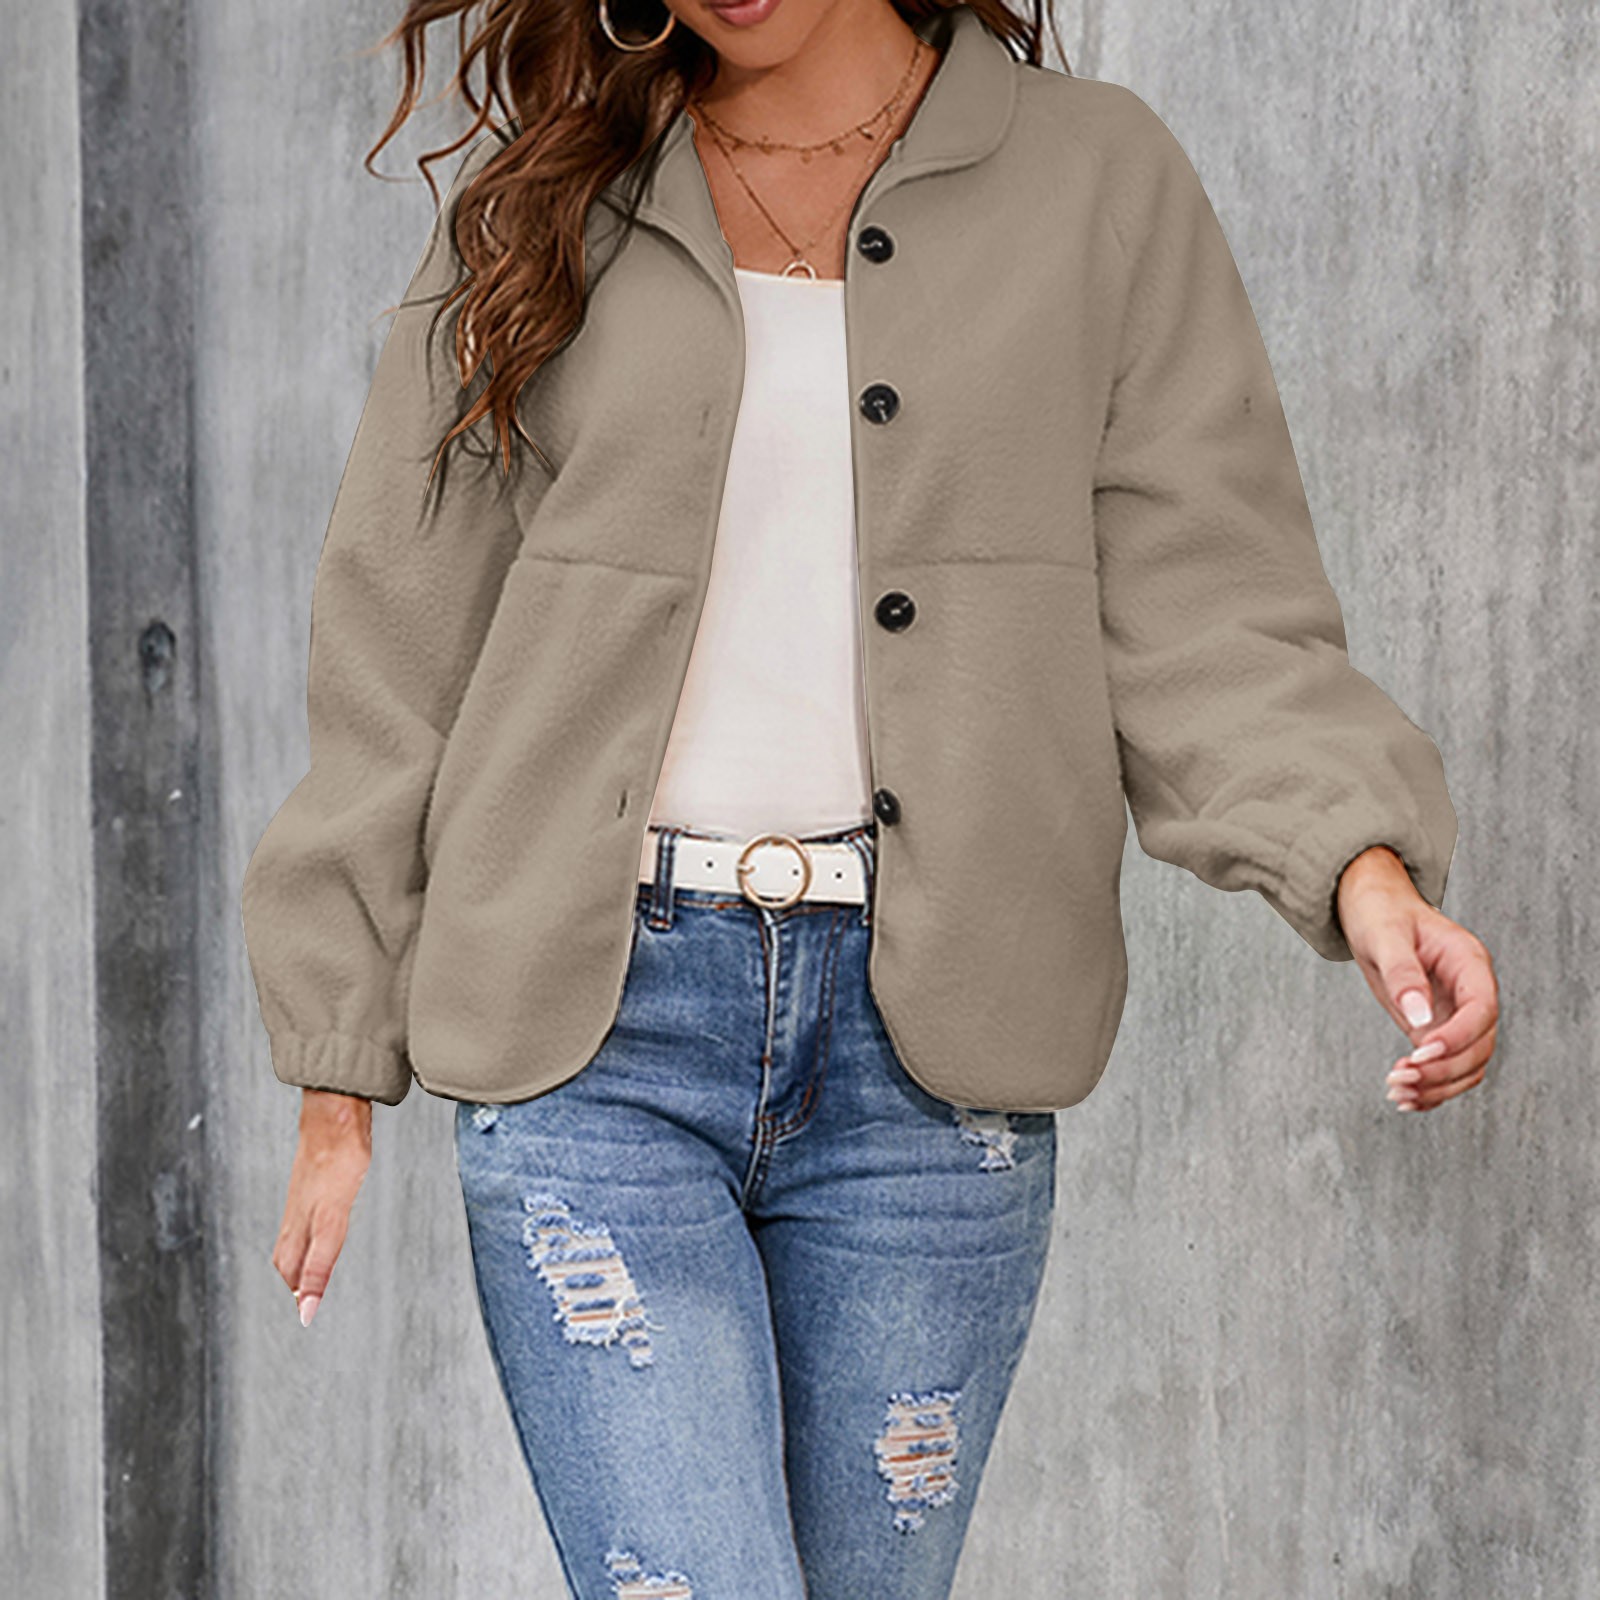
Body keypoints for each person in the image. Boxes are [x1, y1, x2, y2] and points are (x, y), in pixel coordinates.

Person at [242, 1, 1500, 1594]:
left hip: (933, 1078)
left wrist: (1364, 872)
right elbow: (396, 652)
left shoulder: (1096, 182)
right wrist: (337, 1065)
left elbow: (1210, 616)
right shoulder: (549, 195)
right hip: (593, 1044)